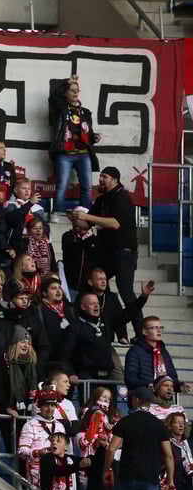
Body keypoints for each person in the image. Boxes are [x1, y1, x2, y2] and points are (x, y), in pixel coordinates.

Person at [75, 167, 141, 332]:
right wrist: (75, 218)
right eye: (100, 176)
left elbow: (114, 223)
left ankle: (140, 331)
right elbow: (86, 224)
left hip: (124, 252)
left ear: (115, 180)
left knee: (126, 291)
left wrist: (87, 217)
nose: (101, 180)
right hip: (107, 253)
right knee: (91, 282)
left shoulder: (122, 196)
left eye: (105, 176)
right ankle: (88, 322)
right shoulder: (101, 200)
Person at [106, 387, 174, 490]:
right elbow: (169, 456)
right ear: (150, 402)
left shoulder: (125, 421)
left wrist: (106, 469)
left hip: (127, 477)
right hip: (150, 479)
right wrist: (170, 480)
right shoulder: (159, 425)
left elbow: (111, 449)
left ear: (135, 400)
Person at [49, 74, 99, 218]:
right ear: (65, 93)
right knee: (62, 184)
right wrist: (66, 82)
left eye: (77, 90)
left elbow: (87, 133)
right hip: (65, 153)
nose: (75, 92)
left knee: (87, 185)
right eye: (72, 90)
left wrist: (94, 138)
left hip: (83, 153)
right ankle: (57, 212)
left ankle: (85, 213)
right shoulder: (60, 109)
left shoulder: (86, 113)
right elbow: (53, 97)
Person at [125, 316, 191, 394]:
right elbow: (130, 379)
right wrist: (147, 385)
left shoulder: (164, 352)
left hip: (164, 397)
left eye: (160, 327)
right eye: (154, 328)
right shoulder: (134, 351)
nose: (159, 330)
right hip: (144, 397)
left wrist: (180, 386)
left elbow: (172, 378)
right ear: (144, 332)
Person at [18, 389, 69, 488]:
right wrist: (38, 452)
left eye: (53, 405)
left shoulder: (60, 426)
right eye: (46, 405)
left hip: (57, 475)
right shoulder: (30, 425)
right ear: (40, 406)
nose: (50, 409)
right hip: (37, 475)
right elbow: (21, 452)